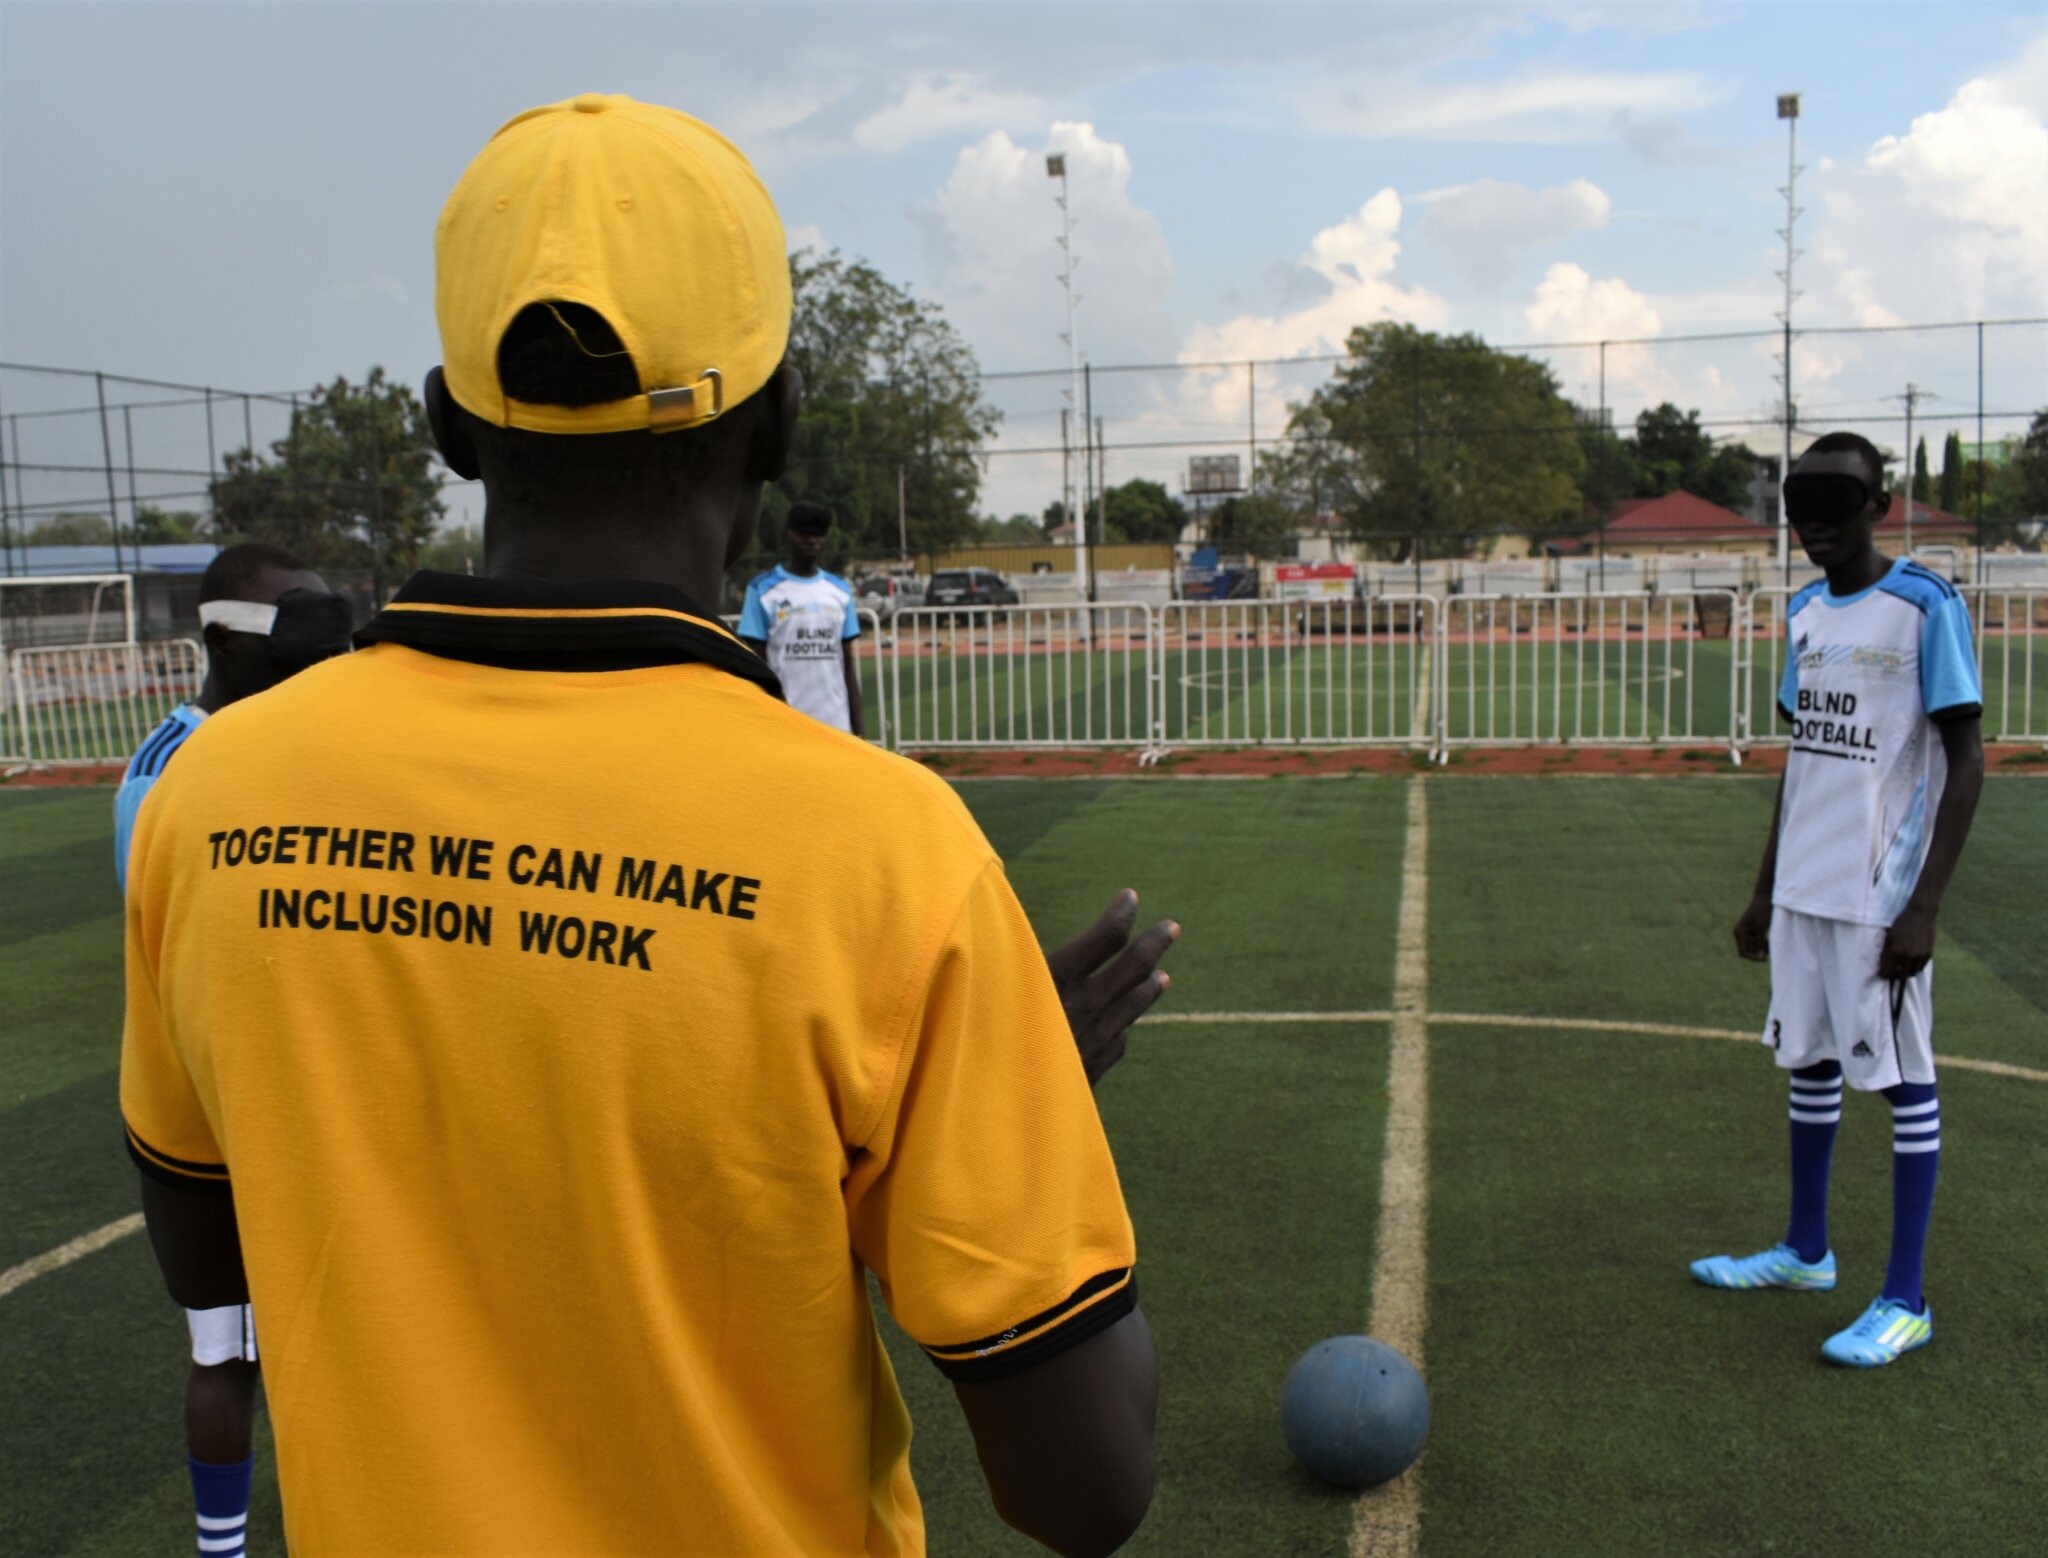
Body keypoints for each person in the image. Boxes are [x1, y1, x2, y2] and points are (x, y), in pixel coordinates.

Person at [121, 92, 1171, 1556]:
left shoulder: (212, 798)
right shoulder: (887, 853)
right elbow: (1084, 1488)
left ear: (447, 422)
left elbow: (209, 1247)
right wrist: (1001, 1103)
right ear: (782, 418)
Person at [1693, 431, 1983, 1369]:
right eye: (1799, 506)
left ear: (1878, 505)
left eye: (1835, 502)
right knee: (1808, 1061)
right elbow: (1803, 758)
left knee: (1901, 1079)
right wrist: (1763, 887)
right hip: (1805, 891)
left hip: (1876, 892)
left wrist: (1925, 904)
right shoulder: (1807, 612)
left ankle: (1907, 1298)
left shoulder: (1924, 606)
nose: (1813, 523)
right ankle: (1805, 1252)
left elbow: (1968, 759)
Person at [113, 541, 352, 1558]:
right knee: (239, 1353)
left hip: (266, 1094)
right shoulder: (188, 769)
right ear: (219, 639)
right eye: (288, 628)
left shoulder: (229, 749)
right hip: (237, 1113)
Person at [738, 500, 865, 736]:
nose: (812, 540)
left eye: (819, 534)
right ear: (789, 534)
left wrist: (861, 734)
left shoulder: (840, 590)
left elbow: (848, 667)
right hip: (785, 725)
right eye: (804, 534)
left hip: (836, 727)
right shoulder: (762, 590)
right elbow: (755, 665)